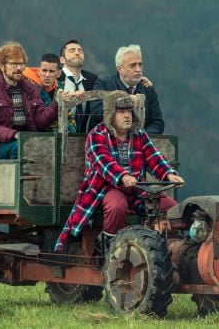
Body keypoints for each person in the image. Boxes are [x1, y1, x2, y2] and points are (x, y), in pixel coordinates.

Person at [54, 90, 184, 252]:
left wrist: (169, 174)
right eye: (121, 112)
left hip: (138, 190)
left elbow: (154, 156)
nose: (127, 116)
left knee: (173, 209)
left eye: (129, 111)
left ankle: (166, 250)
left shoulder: (139, 134)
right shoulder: (96, 136)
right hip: (108, 188)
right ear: (110, 115)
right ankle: (110, 249)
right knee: (117, 206)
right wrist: (122, 176)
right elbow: (104, 163)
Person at [0, 41, 58, 159]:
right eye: (13, 64)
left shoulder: (31, 89)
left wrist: (57, 103)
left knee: (49, 147)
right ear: (2, 66)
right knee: (21, 148)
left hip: (25, 142)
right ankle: (15, 177)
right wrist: (15, 135)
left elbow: (40, 123)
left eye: (21, 64)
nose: (19, 68)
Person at [89, 44, 165, 134]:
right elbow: (95, 114)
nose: (138, 69)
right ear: (120, 69)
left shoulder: (148, 88)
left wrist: (141, 137)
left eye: (140, 64)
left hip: (140, 145)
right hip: (109, 142)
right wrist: (127, 100)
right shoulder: (103, 84)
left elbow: (158, 123)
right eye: (133, 65)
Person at [22, 53, 78, 132]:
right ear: (39, 71)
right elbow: (36, 122)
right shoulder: (28, 88)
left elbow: (72, 124)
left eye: (51, 71)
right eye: (44, 70)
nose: (47, 75)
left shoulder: (60, 91)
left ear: (58, 73)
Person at [57, 39, 98, 132]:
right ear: (62, 59)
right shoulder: (55, 77)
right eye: (72, 51)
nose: (77, 53)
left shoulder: (92, 79)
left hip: (85, 136)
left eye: (80, 51)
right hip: (60, 134)